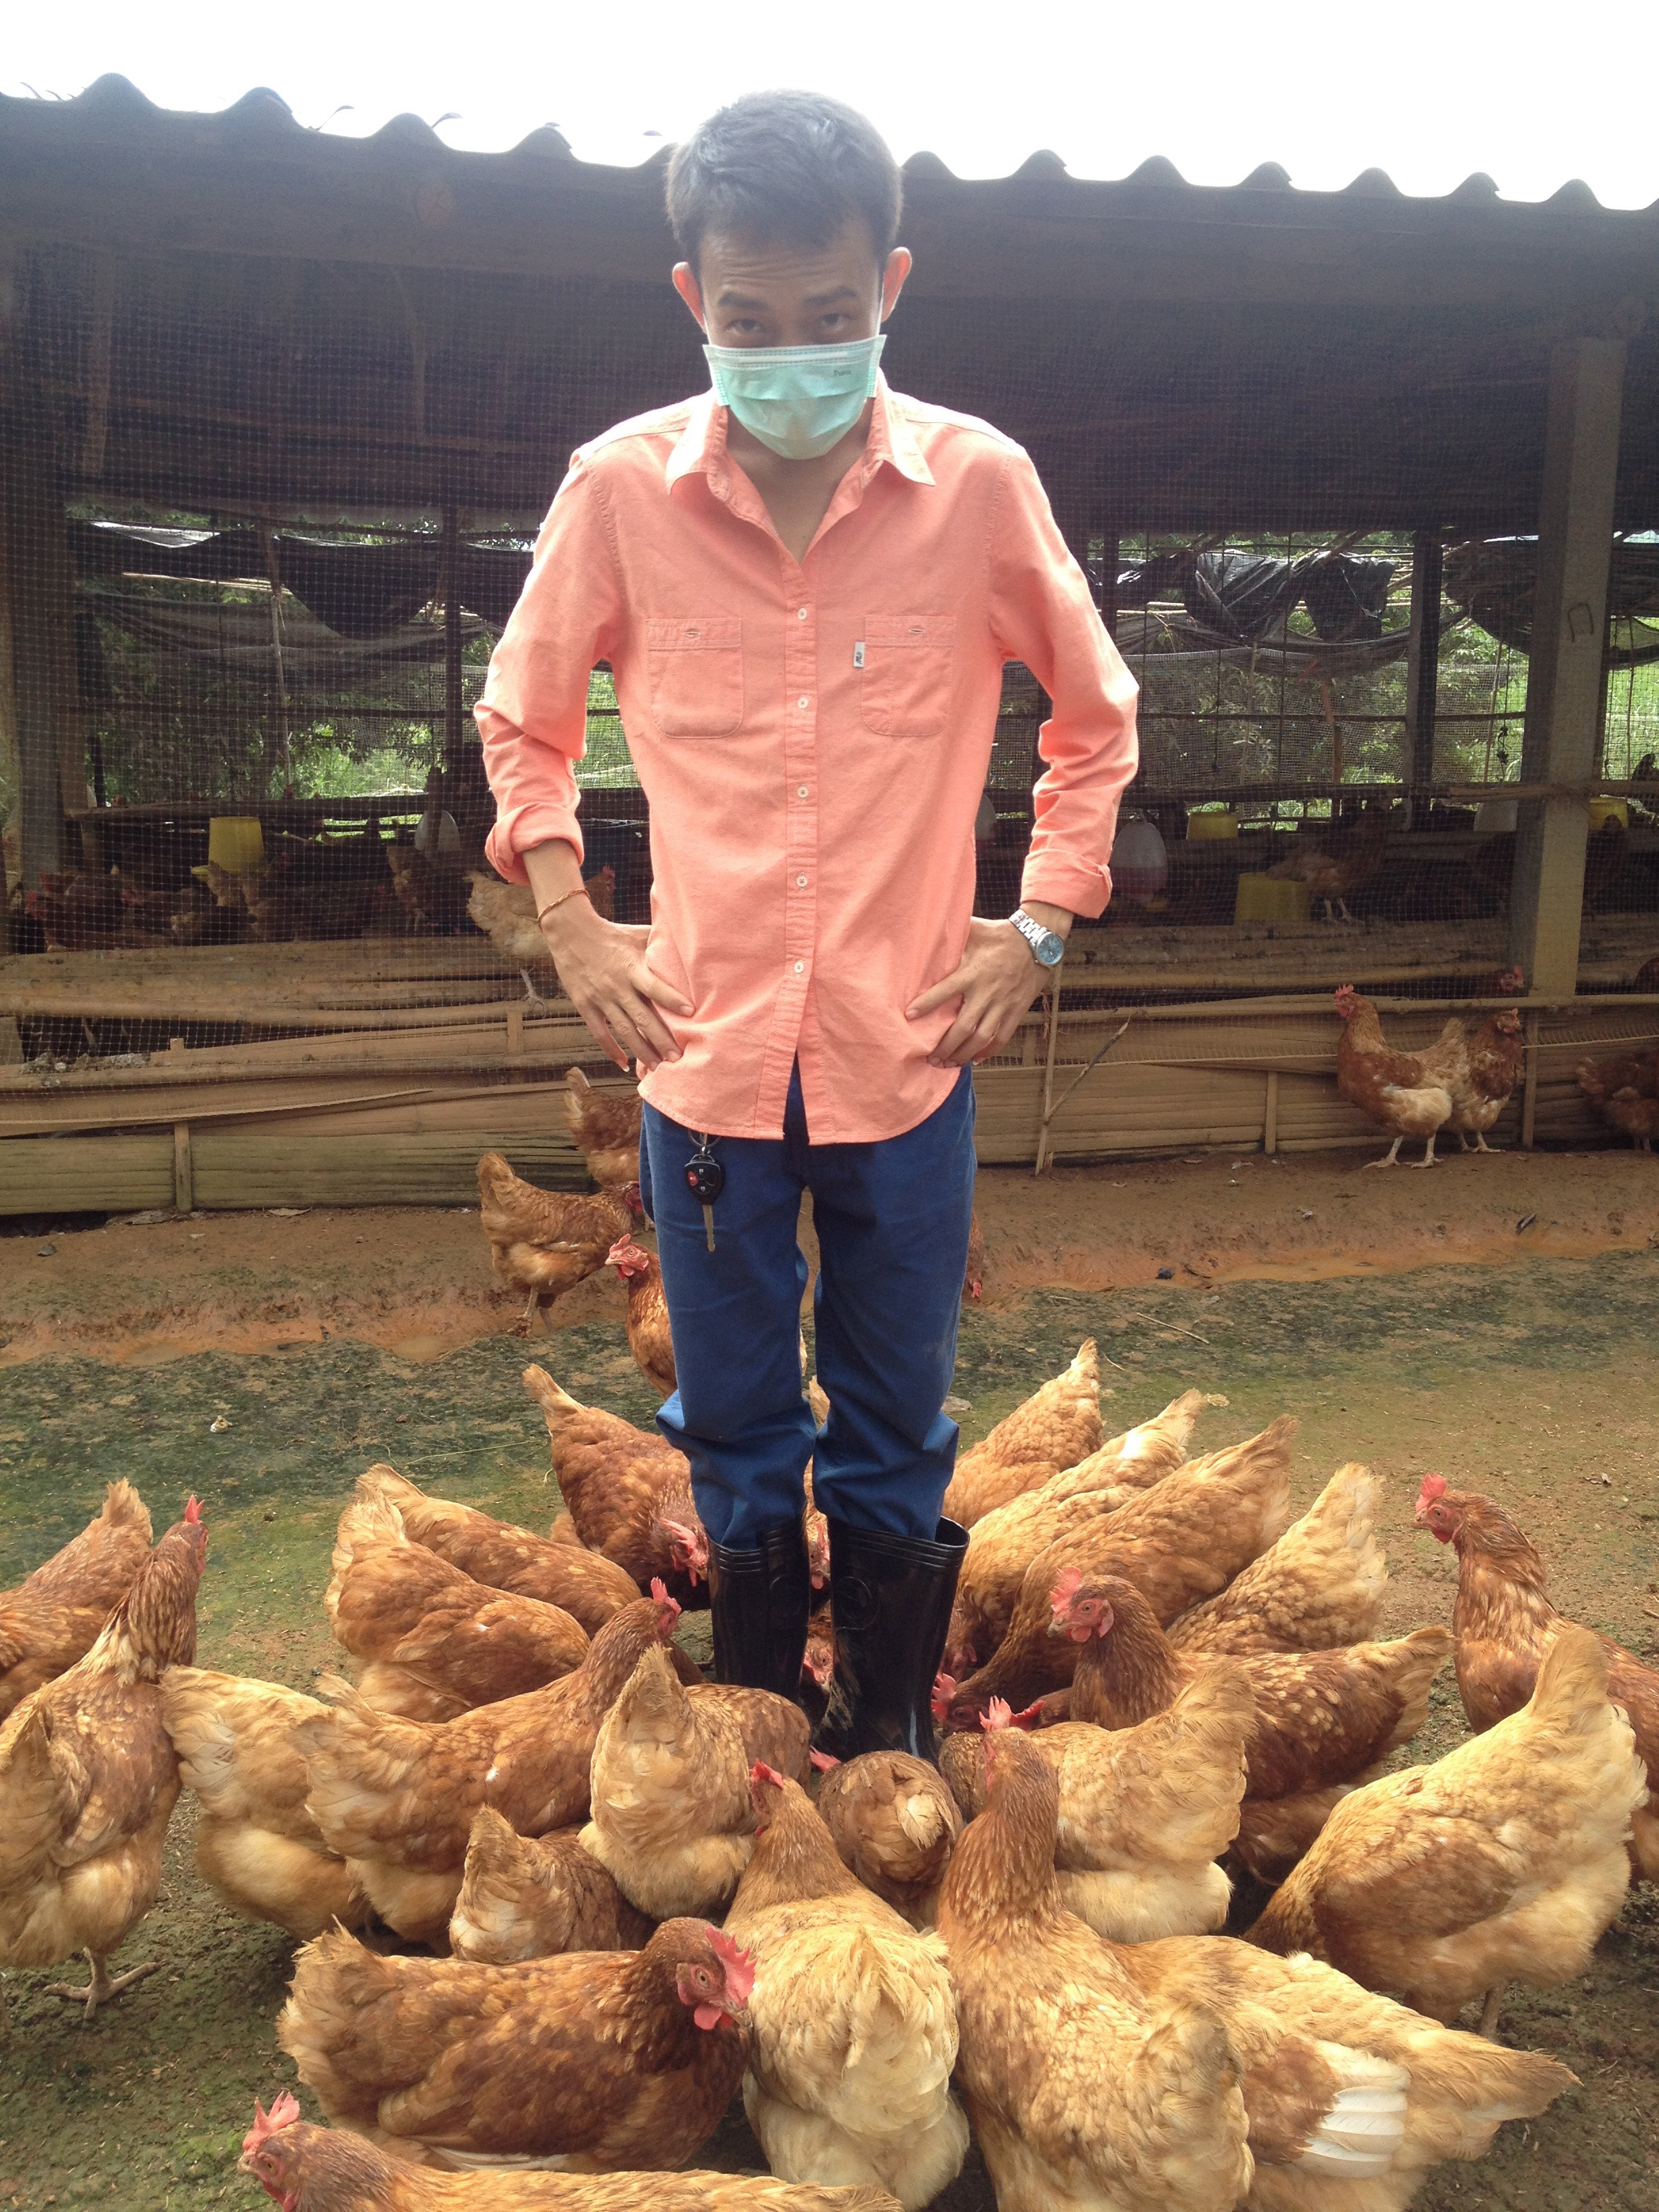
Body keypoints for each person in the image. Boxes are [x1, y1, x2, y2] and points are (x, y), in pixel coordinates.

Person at [476, 89, 1138, 1759]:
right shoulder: (618, 492)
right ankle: (768, 1721)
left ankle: (896, 1717)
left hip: (908, 1048)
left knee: (901, 1412)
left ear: (891, 284)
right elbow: (522, 716)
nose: (793, 351)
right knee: (736, 1414)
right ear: (696, 299)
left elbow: (1096, 717)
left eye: (833, 318)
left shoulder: (979, 488)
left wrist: (1038, 927)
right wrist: (570, 921)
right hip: (696, 1055)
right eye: (754, 320)